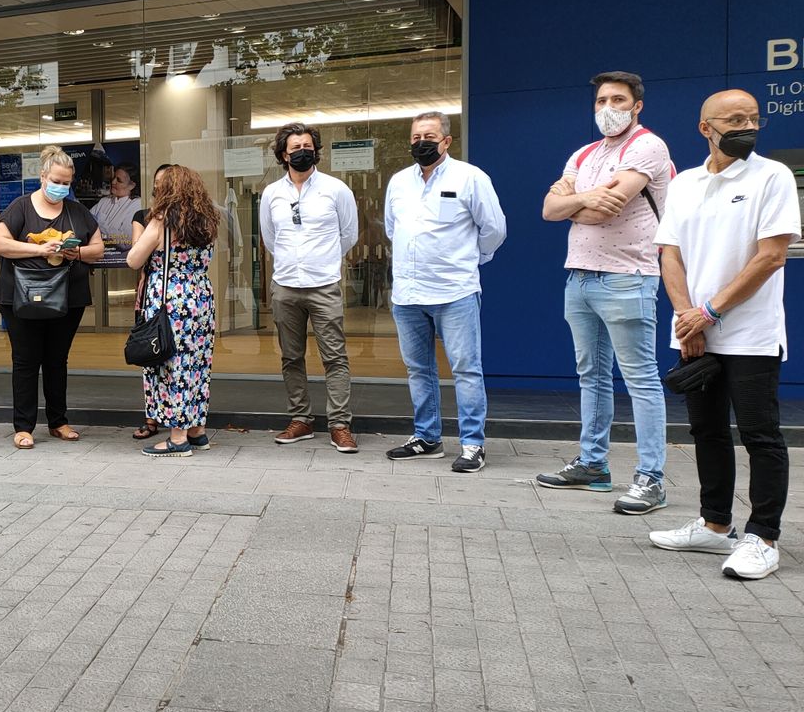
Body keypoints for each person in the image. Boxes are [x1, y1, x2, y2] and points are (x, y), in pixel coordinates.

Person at [649, 89, 800, 581]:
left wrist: (708, 313)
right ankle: (715, 526)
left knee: (760, 434)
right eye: (734, 119)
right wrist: (685, 316)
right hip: (694, 329)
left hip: (751, 335)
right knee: (707, 432)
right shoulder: (687, 183)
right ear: (704, 128)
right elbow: (669, 253)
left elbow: (771, 256)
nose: (746, 127)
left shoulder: (771, 176)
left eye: (753, 119)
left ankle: (763, 537)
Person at [537, 71, 675, 514]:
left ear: (637, 106)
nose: (607, 108)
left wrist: (574, 201)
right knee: (591, 376)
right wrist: (581, 202)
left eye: (617, 99)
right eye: (600, 100)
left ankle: (650, 478)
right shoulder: (585, 152)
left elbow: (599, 211)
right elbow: (548, 209)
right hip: (579, 277)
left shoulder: (648, 147)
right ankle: (593, 464)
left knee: (640, 379)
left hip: (627, 277)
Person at [384, 111, 507, 472]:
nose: (421, 141)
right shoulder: (399, 182)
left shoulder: (470, 177)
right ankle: (427, 437)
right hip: (407, 293)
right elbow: (394, 229)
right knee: (418, 369)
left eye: (429, 135)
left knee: (466, 369)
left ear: (447, 141)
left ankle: (472, 444)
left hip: (455, 291)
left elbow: (494, 229)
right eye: (416, 136)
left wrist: (472, 259)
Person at [0, 146, 106, 449]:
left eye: (67, 183)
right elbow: (0, 244)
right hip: (21, 295)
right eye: (57, 180)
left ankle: (59, 421)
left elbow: (98, 249)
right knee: (26, 360)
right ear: (43, 176)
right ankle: (24, 426)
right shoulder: (20, 207)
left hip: (67, 297)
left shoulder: (77, 211)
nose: (62, 187)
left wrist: (75, 251)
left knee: (57, 359)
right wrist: (40, 249)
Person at [259, 122, 360, 453]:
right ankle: (300, 419)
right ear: (283, 155)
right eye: (295, 148)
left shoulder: (336, 189)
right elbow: (270, 238)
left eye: (307, 146)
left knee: (335, 356)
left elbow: (349, 235)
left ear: (315, 150)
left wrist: (322, 261)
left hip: (323, 285)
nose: (302, 152)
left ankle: (340, 425)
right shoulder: (273, 194)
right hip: (285, 286)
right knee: (291, 356)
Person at [126, 165, 218, 457]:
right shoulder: (206, 221)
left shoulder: (161, 221)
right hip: (200, 297)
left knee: (171, 365)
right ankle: (197, 431)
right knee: (197, 365)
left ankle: (177, 438)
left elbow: (133, 259)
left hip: (170, 301)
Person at [129, 163, 174, 441]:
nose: (160, 186)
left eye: (166, 181)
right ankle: (151, 416)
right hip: (148, 296)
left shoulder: (185, 218)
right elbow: (138, 256)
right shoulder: (143, 216)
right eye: (157, 181)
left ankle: (173, 413)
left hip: (168, 295)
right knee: (150, 354)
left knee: (174, 359)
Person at [90, 162, 141, 250]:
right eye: (113, 178)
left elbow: (126, 242)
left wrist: (99, 223)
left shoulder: (136, 204)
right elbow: (86, 222)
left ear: (132, 185)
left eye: (119, 180)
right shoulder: (104, 201)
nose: (113, 182)